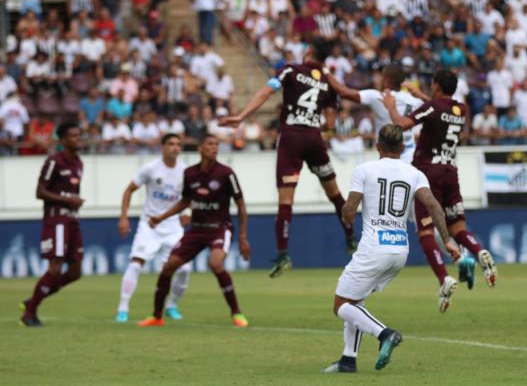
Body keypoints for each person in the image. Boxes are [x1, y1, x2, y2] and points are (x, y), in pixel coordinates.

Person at [323, 125, 461, 374]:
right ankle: (348, 359)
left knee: (341, 305)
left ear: (378, 146)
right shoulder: (415, 173)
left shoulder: (364, 170)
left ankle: (385, 334)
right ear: (401, 148)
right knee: (356, 302)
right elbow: (434, 207)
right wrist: (448, 240)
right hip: (399, 249)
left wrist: (345, 213)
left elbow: (349, 211)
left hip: (374, 246)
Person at [220, 39, 355, 277]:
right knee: (334, 194)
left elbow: (266, 91)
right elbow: (331, 123)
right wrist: (314, 125)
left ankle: (283, 253)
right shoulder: (327, 81)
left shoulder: (291, 69)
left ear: (309, 51)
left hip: (292, 137)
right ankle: (351, 238)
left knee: (285, 200)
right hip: (314, 139)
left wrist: (241, 116)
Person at [383, 70, 497, 313]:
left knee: (425, 231)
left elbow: (402, 124)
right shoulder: (460, 110)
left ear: (436, 86)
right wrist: (420, 95)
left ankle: (444, 278)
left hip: (427, 174)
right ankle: (479, 250)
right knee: (458, 228)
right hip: (450, 172)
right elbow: (438, 109)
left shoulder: (433, 107)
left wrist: (391, 107)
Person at [138, 134, 250, 327]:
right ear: (200, 148)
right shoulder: (190, 173)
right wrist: (161, 217)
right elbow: (185, 202)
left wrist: (242, 236)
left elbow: (241, 205)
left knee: (215, 263)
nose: (214, 148)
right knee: (169, 265)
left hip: (219, 229)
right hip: (196, 230)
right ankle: (157, 316)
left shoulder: (226, 173)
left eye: (216, 144)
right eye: (210, 144)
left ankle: (236, 313)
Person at [115, 134, 192, 323]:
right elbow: (129, 190)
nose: (175, 148)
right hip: (149, 225)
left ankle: (172, 305)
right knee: (135, 264)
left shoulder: (185, 171)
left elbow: (189, 197)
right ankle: (122, 308)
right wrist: (124, 217)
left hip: (173, 227)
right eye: (171, 144)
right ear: (163, 147)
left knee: (184, 270)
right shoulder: (150, 168)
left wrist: (188, 212)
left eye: (178, 145)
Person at [20, 123, 84, 327]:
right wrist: (67, 201)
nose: (78, 139)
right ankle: (29, 313)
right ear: (63, 140)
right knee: (55, 268)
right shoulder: (53, 162)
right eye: (73, 136)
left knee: (75, 273)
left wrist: (74, 201)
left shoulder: (79, 163)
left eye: (79, 135)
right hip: (56, 219)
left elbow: (71, 192)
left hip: (72, 220)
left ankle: (33, 300)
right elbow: (39, 192)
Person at [325, 64, 423, 163]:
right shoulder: (415, 101)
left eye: (382, 76)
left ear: (387, 80)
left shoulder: (378, 97)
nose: (380, 79)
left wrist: (326, 72)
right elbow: (436, 106)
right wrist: (420, 94)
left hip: (388, 157)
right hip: (411, 156)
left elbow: (343, 92)